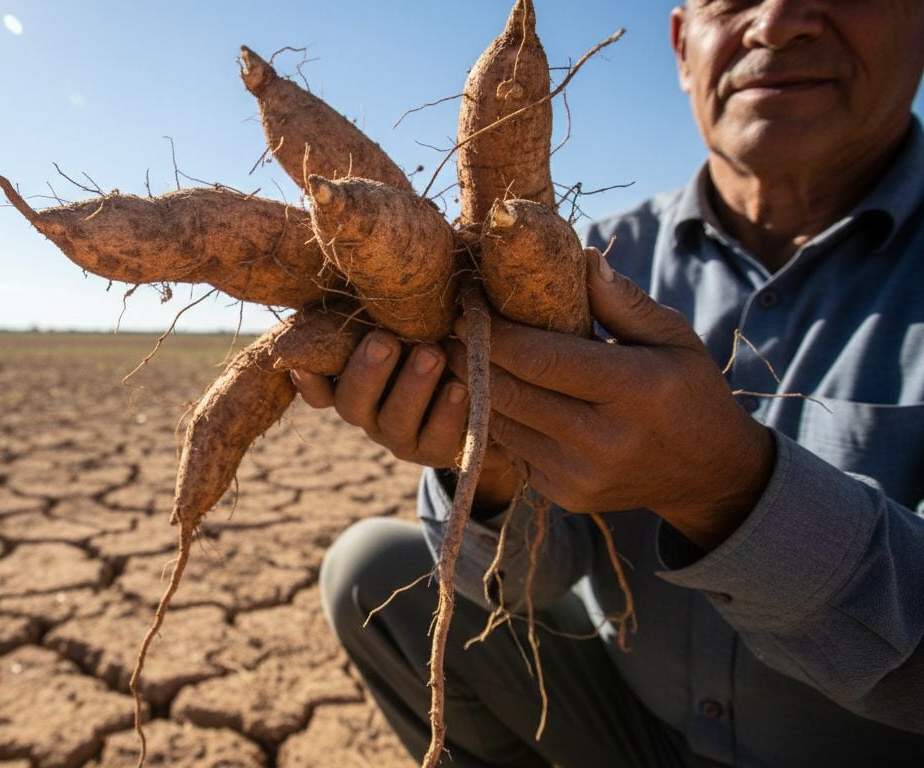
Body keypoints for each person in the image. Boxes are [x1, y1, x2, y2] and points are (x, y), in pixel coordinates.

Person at [293, 2, 924, 766]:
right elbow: (529, 586)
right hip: (633, 730)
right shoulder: (581, 259)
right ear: (682, 44)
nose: (780, 21)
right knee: (372, 574)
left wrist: (727, 489)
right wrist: (491, 467)